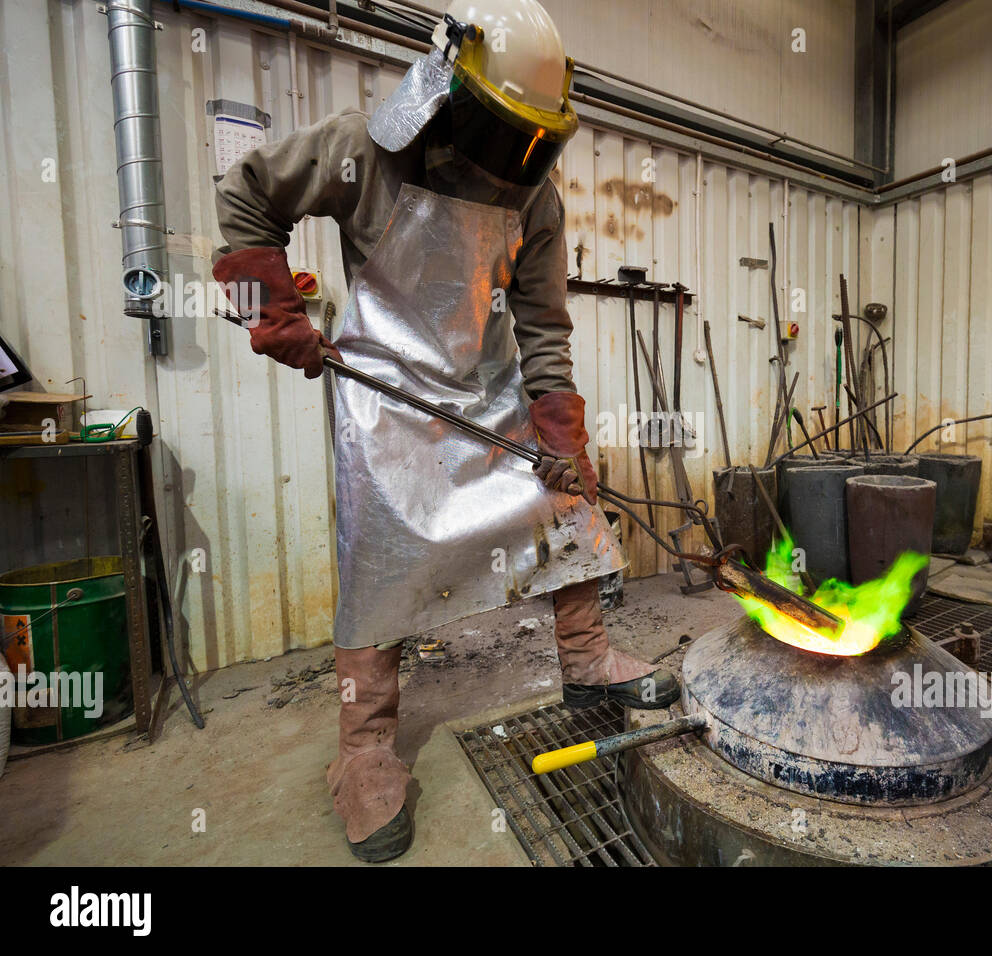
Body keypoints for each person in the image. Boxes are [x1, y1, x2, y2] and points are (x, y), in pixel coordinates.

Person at [212, 0, 677, 863]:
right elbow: (246, 194)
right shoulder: (363, 152)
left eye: (534, 140)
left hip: (488, 393)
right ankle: (363, 753)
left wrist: (562, 435)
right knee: (379, 573)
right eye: (505, 131)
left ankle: (587, 662)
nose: (517, 161)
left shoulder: (536, 200)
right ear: (449, 89)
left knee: (565, 515)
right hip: (384, 400)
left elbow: (541, 326)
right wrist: (270, 308)